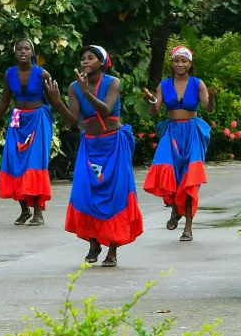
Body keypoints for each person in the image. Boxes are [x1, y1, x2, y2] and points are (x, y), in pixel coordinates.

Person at [45, 44, 142, 268]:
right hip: (90, 145)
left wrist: (86, 91)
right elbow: (72, 121)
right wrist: (56, 101)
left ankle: (113, 250)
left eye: (90, 58)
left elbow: (105, 110)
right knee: (84, 194)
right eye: (83, 58)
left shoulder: (113, 82)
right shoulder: (74, 87)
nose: (85, 62)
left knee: (115, 196)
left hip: (114, 144)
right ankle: (93, 243)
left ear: (102, 62)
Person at [143, 46, 212, 243]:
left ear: (190, 64)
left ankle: (188, 227)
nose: (180, 64)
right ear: (171, 64)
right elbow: (154, 112)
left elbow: (208, 107)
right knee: (168, 172)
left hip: (192, 132)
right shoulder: (164, 85)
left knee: (190, 178)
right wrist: (151, 101)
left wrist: (212, 99)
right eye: (176, 61)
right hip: (171, 131)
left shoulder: (198, 84)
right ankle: (175, 209)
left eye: (184, 61)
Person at [0, 38, 53, 225]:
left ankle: (38, 213)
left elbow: (55, 100)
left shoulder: (42, 74)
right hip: (18, 121)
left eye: (27, 49)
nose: (23, 52)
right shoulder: (9, 74)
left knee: (34, 164)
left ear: (33, 53)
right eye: (19, 49)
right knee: (14, 163)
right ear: (15, 53)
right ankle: (24, 210)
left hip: (38, 120)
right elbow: (4, 101)